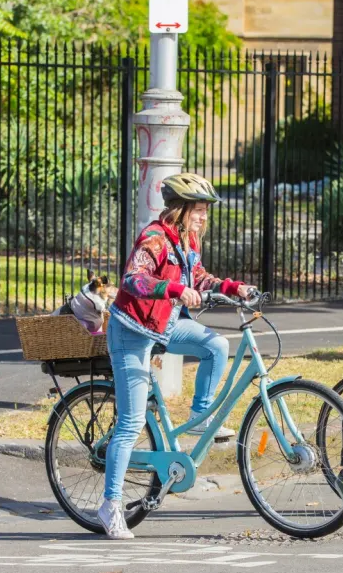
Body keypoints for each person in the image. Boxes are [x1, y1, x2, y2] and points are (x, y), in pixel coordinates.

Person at [98, 173, 256, 539]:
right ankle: (110, 505)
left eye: (205, 211)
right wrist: (174, 289)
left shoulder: (188, 239)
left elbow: (197, 275)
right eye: (198, 210)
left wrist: (236, 287)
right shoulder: (154, 238)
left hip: (165, 326)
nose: (203, 217)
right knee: (132, 422)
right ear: (181, 209)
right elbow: (132, 280)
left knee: (216, 346)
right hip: (132, 332)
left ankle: (200, 415)